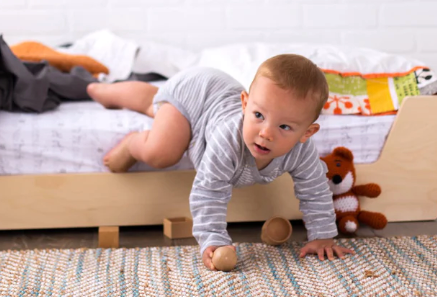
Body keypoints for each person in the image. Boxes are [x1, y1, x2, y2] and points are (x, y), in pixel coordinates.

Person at [87, 54, 354, 270]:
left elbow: (315, 189)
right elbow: (209, 190)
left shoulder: (302, 151)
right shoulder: (229, 139)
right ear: (245, 104)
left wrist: (322, 236)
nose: (266, 132)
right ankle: (131, 138)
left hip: (212, 96)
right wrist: (212, 239)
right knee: (162, 150)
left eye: (284, 126)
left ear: (307, 133)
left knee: (153, 104)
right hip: (195, 94)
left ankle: (126, 94)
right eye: (258, 115)